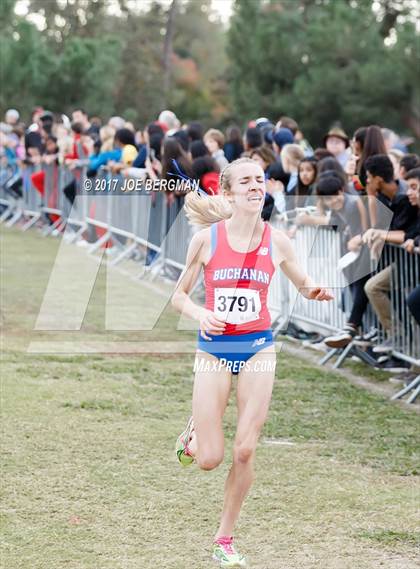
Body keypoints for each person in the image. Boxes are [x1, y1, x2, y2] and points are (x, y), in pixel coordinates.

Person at [171, 157, 333, 568]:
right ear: (228, 192)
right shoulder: (206, 240)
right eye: (245, 181)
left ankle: (223, 539)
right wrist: (199, 314)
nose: (255, 186)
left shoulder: (277, 241)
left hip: (258, 347)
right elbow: (178, 296)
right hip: (213, 349)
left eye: (260, 180)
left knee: (245, 451)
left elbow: (300, 279)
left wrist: (315, 291)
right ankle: (194, 436)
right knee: (210, 459)